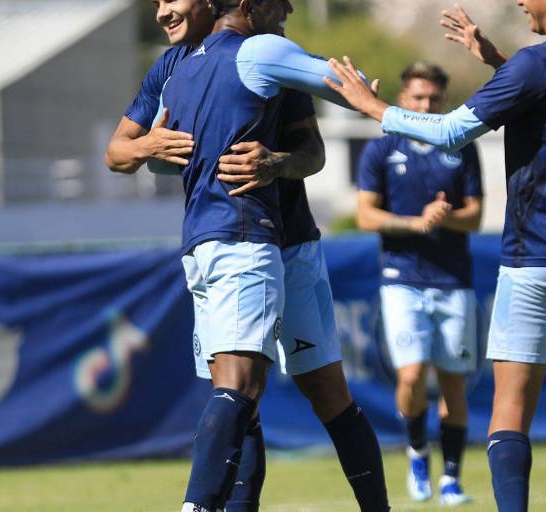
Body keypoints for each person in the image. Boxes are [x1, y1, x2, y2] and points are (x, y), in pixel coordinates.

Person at [324, 1, 546, 511]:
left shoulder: (535, 62)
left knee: (510, 408)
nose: (521, 1)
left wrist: (369, 106)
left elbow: (449, 132)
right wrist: (498, 60)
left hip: (537, 261)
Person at [105, 1, 389, 511]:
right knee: (242, 400)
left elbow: (314, 153)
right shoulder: (172, 69)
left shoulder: (271, 56)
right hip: (234, 239)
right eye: (276, 5)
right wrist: (149, 146)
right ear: (242, 5)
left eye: (173, 2)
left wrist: (277, 162)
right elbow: (117, 152)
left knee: (326, 393)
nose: (163, 12)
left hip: (291, 242)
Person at [356, 61, 483, 506]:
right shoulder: (380, 151)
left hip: (453, 280)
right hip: (402, 279)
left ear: (444, 102)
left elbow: (477, 215)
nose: (426, 105)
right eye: (417, 98)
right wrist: (415, 223)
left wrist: (446, 217)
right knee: (410, 376)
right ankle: (416, 451)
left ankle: (451, 478)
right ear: (402, 99)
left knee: (453, 382)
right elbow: (365, 214)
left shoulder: (462, 147)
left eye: (433, 99)